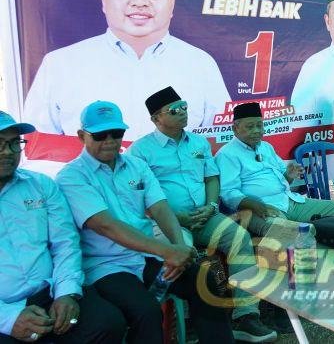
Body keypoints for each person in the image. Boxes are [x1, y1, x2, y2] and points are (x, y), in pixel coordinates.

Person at [55, 101, 234, 344]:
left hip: (146, 256)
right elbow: (106, 225)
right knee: (146, 311)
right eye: (99, 135)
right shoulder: (71, 176)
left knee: (205, 281)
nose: (109, 140)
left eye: (116, 133)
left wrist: (179, 248)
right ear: (81, 136)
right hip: (106, 265)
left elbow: (160, 207)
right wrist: (169, 251)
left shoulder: (136, 166)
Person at [24, 0, 230, 140]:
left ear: (172, 3)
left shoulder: (201, 64)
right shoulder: (60, 64)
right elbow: (37, 148)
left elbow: (222, 139)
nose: (139, 1)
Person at [127, 87, 276, 342]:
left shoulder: (198, 142)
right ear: (156, 118)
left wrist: (211, 206)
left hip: (206, 216)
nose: (183, 113)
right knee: (181, 249)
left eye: (184, 106)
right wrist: (177, 218)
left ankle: (246, 316)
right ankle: (185, 321)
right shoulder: (140, 151)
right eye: (175, 110)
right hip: (167, 221)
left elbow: (212, 178)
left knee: (239, 238)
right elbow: (139, 198)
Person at [0, 111, 126, 344]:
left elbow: (65, 243)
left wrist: (66, 293)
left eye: (13, 143)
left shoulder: (40, 185)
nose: (8, 152)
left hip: (50, 292)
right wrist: (8, 319)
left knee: (108, 323)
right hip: (4, 308)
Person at [217, 102, 334, 237]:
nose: (257, 130)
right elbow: (229, 193)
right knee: (288, 232)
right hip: (258, 210)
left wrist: (289, 175)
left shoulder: (265, 147)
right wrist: (257, 206)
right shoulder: (227, 154)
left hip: (288, 201)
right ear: (235, 128)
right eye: (250, 127)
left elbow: (284, 178)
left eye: (259, 125)